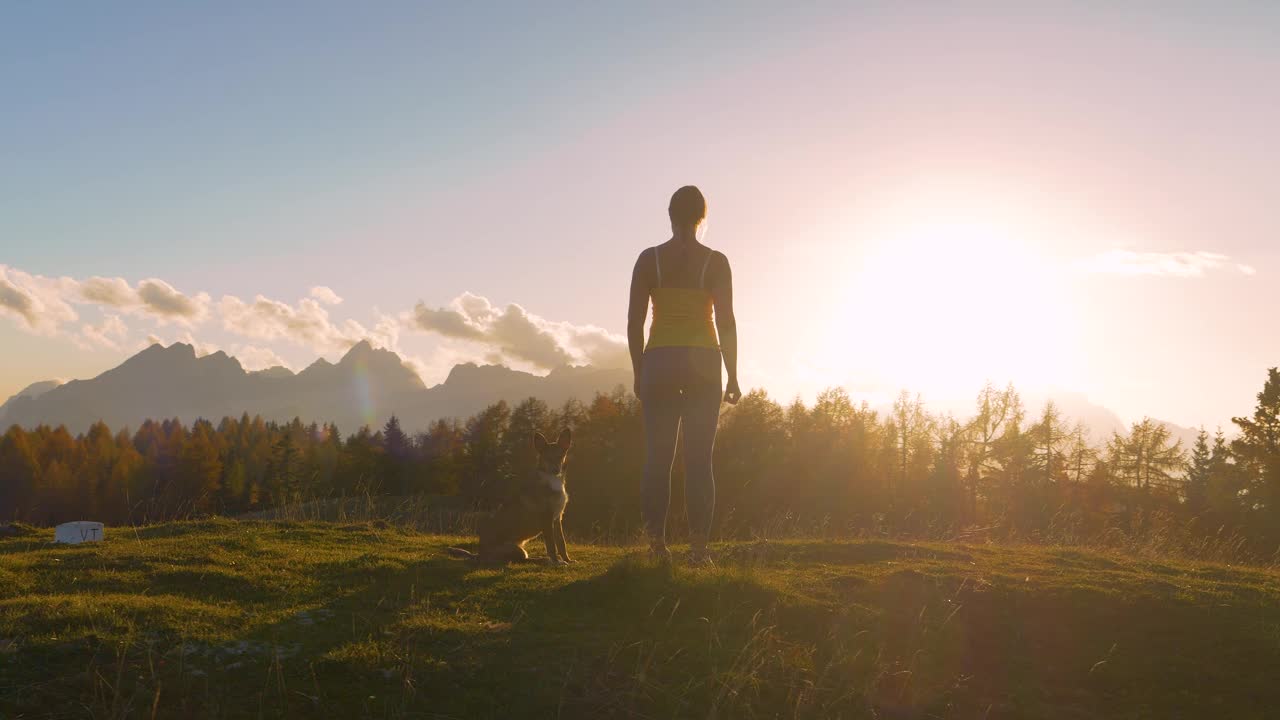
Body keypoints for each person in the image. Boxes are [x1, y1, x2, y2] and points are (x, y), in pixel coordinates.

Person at [627, 185, 740, 564]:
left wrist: (638, 370)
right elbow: (725, 320)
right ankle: (698, 550)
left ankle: (656, 546)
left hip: (658, 362)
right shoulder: (716, 261)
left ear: (670, 215)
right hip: (705, 365)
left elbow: (634, 322)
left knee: (657, 459)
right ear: (701, 217)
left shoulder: (649, 259)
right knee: (699, 461)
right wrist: (734, 374)